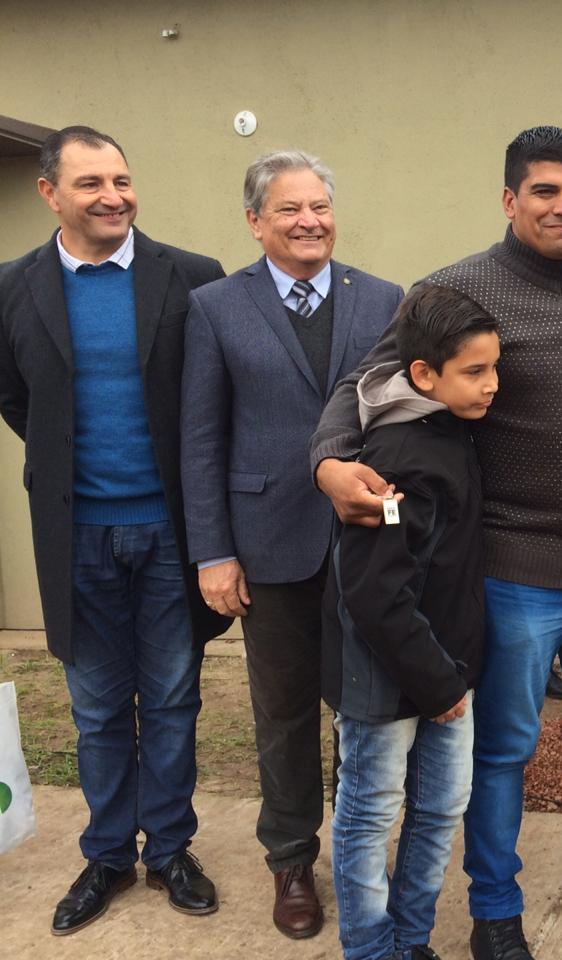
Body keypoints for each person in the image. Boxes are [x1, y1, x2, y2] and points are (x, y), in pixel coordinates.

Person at [310, 125, 562, 960]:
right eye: (546, 191)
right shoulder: (455, 289)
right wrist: (329, 465)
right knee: (505, 750)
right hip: (517, 569)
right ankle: (495, 910)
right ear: (510, 199)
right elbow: (362, 383)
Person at [0, 126, 229, 935]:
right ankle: (106, 855)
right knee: (96, 707)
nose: (113, 197)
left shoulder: (193, 278)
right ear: (50, 193)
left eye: (122, 180)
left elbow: (212, 398)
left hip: (171, 533)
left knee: (170, 698)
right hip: (77, 538)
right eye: (91, 183)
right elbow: (17, 398)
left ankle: (168, 848)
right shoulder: (11, 288)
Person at [180, 150, 402, 938]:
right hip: (268, 545)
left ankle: (359, 849)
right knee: (283, 713)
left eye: (320, 207)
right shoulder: (215, 307)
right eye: (289, 209)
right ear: (255, 221)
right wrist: (213, 553)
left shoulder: (383, 299)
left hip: (366, 542)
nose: (310, 221)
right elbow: (200, 439)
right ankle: (291, 860)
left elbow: (403, 419)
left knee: (367, 709)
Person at [323, 284, 496, 960]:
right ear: (423, 374)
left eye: (494, 367)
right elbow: (375, 591)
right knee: (370, 813)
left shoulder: (454, 429)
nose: (492, 384)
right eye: (475, 371)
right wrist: (439, 684)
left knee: (442, 807)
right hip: (388, 678)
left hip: (447, 669)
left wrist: (452, 676)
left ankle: (410, 940)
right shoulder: (396, 456)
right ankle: (371, 949)